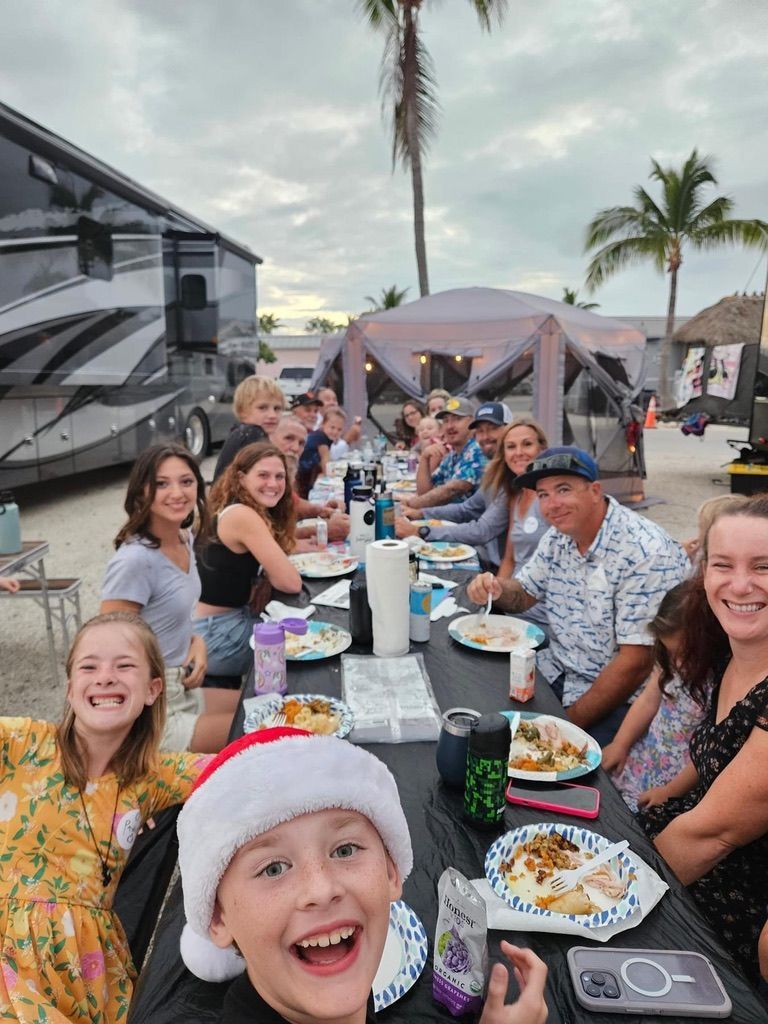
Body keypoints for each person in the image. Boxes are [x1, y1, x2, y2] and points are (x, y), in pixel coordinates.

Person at [177, 727, 548, 1024]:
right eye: (273, 868)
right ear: (217, 916)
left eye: (344, 850)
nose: (321, 890)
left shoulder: (337, 976)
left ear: (390, 871)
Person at [0, 611, 209, 1022]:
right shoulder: (21, 743)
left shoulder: (151, 778)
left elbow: (242, 764)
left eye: (124, 665)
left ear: (152, 689)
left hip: (86, 968)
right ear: (70, 688)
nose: (105, 676)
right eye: (89, 666)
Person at [466, 446, 688, 745]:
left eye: (563, 489)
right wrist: (495, 587)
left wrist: (562, 728)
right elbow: (525, 594)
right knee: (475, 711)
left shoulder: (645, 553)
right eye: (543, 494)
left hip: (620, 702)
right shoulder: (560, 536)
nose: (552, 504)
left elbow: (635, 664)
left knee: (527, 763)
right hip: (555, 669)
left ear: (595, 491)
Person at [638, 494, 768, 980]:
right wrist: (673, 788)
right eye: (722, 564)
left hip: (731, 915)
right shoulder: (729, 650)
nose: (740, 584)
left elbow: (712, 835)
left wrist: (591, 902)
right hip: (689, 844)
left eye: (764, 566)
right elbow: (721, 754)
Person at [101, 444, 239, 752]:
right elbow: (105, 655)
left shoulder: (183, 537)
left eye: (186, 481)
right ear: (140, 492)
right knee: (264, 728)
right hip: (150, 714)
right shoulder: (134, 561)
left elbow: (168, 621)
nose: (177, 492)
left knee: (265, 702)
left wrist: (197, 644)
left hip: (182, 687)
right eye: (161, 483)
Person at [193, 443, 301, 676]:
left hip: (213, 626)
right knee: (305, 646)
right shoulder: (243, 515)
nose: (273, 484)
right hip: (217, 635)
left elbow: (280, 549)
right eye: (263, 475)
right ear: (241, 478)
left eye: (279, 476)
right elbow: (291, 583)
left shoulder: (233, 507)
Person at [602, 582, 706, 812]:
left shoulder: (716, 682)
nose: (677, 663)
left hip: (678, 779)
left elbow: (708, 752)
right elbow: (649, 700)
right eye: (671, 653)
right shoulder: (670, 661)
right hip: (647, 758)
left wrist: (671, 791)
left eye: (684, 655)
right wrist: (621, 743)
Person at [396, 404, 520, 568]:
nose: (485, 436)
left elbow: (481, 530)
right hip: (485, 552)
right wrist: (420, 513)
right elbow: (466, 508)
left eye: (493, 428)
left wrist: (420, 530)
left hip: (492, 559)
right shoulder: (497, 470)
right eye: (481, 431)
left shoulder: (505, 472)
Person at [407, 397, 487, 509]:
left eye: (457, 419)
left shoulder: (477, 450)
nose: (450, 426)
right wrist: (425, 457)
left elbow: (450, 491)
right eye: (446, 420)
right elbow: (424, 492)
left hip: (467, 524)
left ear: (473, 423)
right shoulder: (453, 454)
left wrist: (411, 504)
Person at [214, 375, 285, 480]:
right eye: (262, 408)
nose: (272, 415)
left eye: (277, 408)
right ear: (242, 411)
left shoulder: (240, 432)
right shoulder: (251, 434)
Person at [296, 405, 347, 498]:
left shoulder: (323, 436)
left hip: (308, 471)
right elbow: (325, 458)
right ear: (323, 424)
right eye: (332, 427)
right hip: (302, 472)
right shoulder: (320, 437)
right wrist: (329, 474)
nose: (335, 432)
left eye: (339, 429)